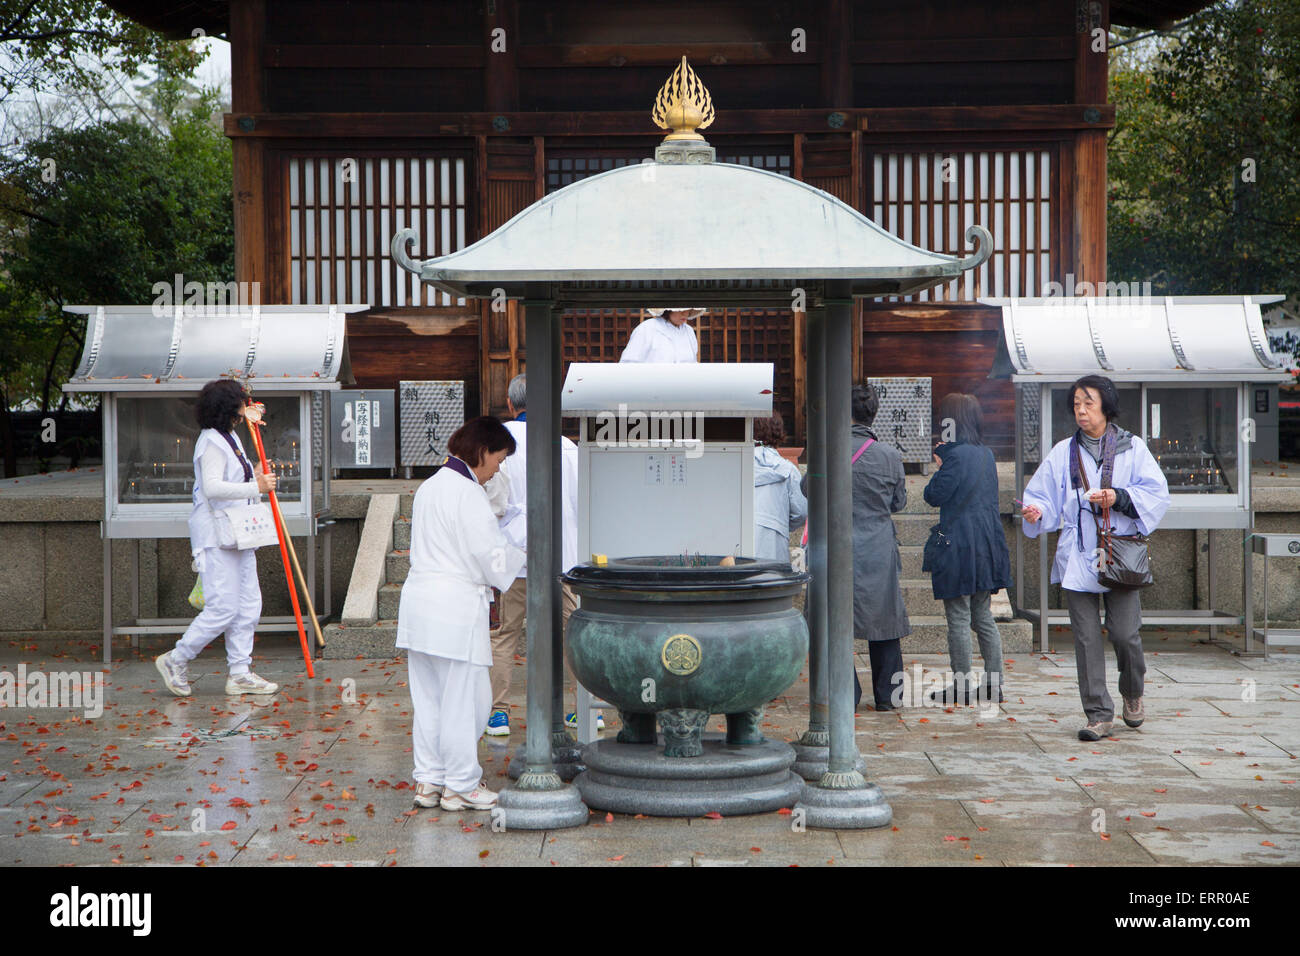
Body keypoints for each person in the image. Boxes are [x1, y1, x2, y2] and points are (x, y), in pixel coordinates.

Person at [1020, 375, 1169, 742]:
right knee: (1086, 639)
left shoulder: (1131, 448)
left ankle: (1132, 690)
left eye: (1088, 403)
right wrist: (1036, 511)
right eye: (1076, 404)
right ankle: (1098, 714)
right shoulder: (1062, 452)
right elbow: (1041, 495)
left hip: (1118, 552)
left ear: (1106, 405)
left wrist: (1116, 497)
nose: (1081, 410)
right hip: (1079, 554)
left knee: (1124, 633)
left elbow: (1156, 493)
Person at [399, 417, 525, 812]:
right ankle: (461, 784)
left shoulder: (430, 487)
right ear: (483, 452)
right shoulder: (467, 493)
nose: (498, 469)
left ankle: (430, 780)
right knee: (466, 698)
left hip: (420, 603)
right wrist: (525, 556)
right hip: (454, 605)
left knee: (430, 699)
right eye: (499, 460)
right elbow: (489, 552)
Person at [156, 379, 280, 698]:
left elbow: (233, 478)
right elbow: (212, 487)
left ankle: (240, 672)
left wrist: (255, 474)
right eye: (240, 402)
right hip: (215, 533)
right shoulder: (211, 441)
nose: (245, 407)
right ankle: (176, 658)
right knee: (223, 607)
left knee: (249, 604)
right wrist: (257, 487)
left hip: (240, 531)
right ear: (228, 406)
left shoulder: (231, 436)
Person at [490, 373, 593, 735]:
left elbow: (494, 503)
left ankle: (499, 712)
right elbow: (584, 502)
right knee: (574, 633)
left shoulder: (498, 443)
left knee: (506, 633)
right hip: (562, 556)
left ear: (510, 403)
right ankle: (583, 708)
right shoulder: (565, 445)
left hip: (515, 554)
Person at [802, 384, 910, 711]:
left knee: (831, 619)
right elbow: (899, 501)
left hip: (834, 545)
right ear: (872, 414)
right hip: (877, 547)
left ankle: (844, 693)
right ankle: (889, 696)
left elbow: (808, 490)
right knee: (884, 622)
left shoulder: (826, 450)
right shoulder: (890, 456)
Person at [922, 393, 1011, 705]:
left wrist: (941, 464)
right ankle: (994, 685)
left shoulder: (955, 457)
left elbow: (933, 495)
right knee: (982, 616)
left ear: (951, 421)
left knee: (958, 617)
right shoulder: (986, 454)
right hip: (987, 544)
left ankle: (961, 685)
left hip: (959, 545)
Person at [753, 413, 806, 564]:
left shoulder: (734, 466)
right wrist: (780, 524)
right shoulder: (787, 469)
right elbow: (801, 512)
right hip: (774, 546)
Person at [619, 307, 704, 363]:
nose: (685, 313)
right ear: (668, 310)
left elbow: (693, 363)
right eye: (680, 310)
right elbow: (628, 363)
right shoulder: (647, 328)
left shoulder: (689, 331)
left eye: (688, 310)